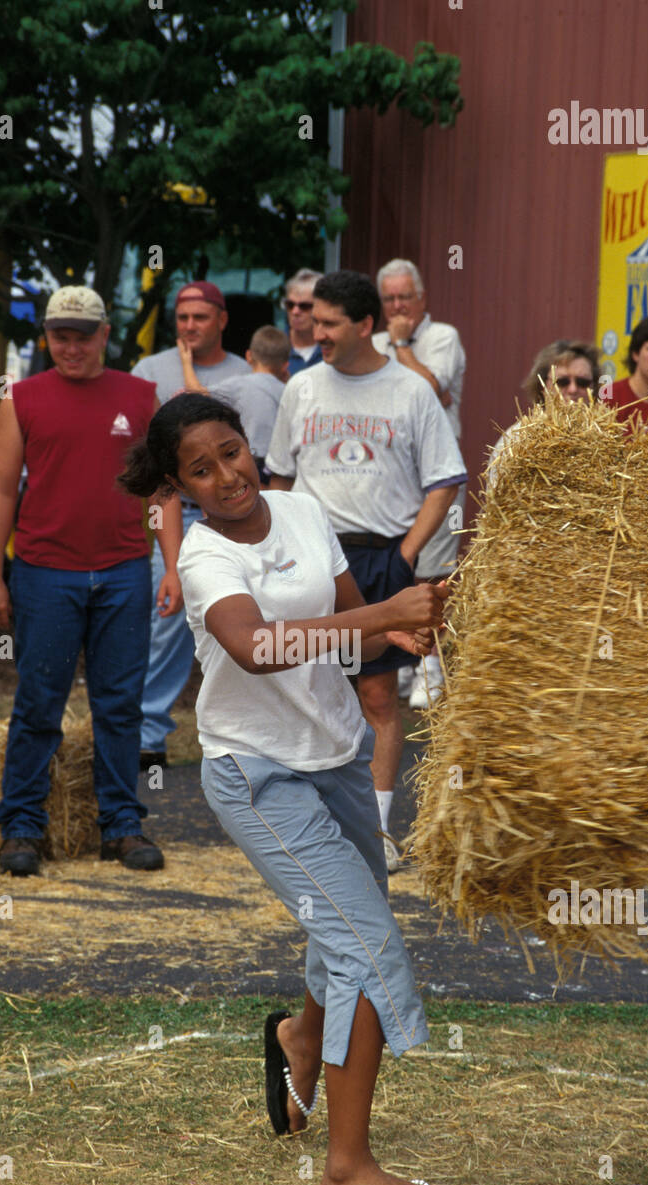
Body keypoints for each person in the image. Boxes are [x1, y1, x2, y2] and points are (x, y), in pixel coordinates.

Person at [118, 390, 461, 1185]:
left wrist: (413, 630)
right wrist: (385, 612)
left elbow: (349, 628)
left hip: (338, 754)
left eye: (231, 452)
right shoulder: (201, 560)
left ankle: (301, 1039)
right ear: (179, 485)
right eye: (201, 469)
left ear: (249, 444)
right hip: (258, 776)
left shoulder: (302, 510)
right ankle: (346, 1177)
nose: (227, 476)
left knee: (344, 928)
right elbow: (255, 647)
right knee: (365, 943)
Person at [266, 270, 467, 872]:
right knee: (303, 684)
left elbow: (445, 480)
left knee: (378, 695)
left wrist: (405, 554)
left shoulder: (410, 391)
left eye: (328, 323)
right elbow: (278, 476)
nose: (314, 330)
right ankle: (308, 824)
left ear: (364, 326)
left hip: (380, 554)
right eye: (313, 320)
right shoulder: (302, 388)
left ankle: (373, 833)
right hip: (307, 551)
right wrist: (276, 546)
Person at [0, 285, 177, 875]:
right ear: (46, 335)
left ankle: (121, 825)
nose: (70, 346)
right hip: (44, 571)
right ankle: (21, 826)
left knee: (120, 704)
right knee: (39, 702)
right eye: (59, 335)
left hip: (123, 570)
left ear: (104, 334)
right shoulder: (22, 397)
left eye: (82, 334)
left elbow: (162, 487)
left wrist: (171, 564)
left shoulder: (142, 396)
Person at [131, 281, 250, 769]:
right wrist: (172, 560)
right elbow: (153, 471)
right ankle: (147, 733)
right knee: (168, 623)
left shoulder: (244, 373)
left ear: (222, 320)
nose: (189, 327)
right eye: (181, 318)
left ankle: (242, 734)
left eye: (200, 318)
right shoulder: (148, 372)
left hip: (234, 513)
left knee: (239, 622)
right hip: (174, 509)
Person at [372, 258, 467, 708]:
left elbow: (433, 389)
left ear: (421, 298)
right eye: (388, 299)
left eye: (403, 297)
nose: (396, 306)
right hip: (386, 471)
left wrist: (403, 346)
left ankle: (431, 667)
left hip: (436, 472)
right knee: (395, 564)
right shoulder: (371, 342)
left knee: (434, 566)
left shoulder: (442, 337)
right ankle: (399, 660)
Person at [177, 324, 289, 482]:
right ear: (285, 365)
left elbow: (197, 394)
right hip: (277, 467)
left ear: (249, 356)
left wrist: (186, 362)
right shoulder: (287, 389)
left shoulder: (240, 384)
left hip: (251, 460)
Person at [487, 339, 600, 482]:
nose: (573, 389)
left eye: (582, 382)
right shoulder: (516, 439)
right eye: (562, 382)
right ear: (542, 386)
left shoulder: (604, 437)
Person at [282, 268, 323, 376]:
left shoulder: (333, 349)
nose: (295, 312)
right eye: (290, 305)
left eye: (304, 306)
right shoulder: (272, 346)